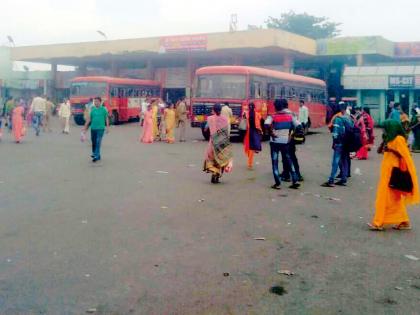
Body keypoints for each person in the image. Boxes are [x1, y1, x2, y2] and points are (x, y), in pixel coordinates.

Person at [368, 120, 419, 230]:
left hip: (393, 172)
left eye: (385, 128)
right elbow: (381, 151)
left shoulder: (399, 139)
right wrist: (384, 144)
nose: (384, 130)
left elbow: (405, 156)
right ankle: (404, 221)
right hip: (387, 171)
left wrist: (391, 150)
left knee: (384, 197)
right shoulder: (389, 138)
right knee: (393, 198)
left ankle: (378, 222)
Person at [264, 99, 300, 190]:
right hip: (285, 142)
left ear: (276, 107)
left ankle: (277, 182)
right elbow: (299, 126)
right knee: (289, 160)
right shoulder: (290, 116)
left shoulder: (273, 116)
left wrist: (272, 133)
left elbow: (266, 124)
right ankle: (295, 180)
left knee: (275, 162)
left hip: (275, 142)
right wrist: (291, 136)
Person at [322, 102, 352, 187]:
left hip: (339, 143)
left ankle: (331, 180)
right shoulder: (349, 118)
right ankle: (343, 179)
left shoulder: (338, 119)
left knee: (336, 161)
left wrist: (335, 142)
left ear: (340, 109)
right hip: (346, 143)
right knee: (345, 160)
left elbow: (335, 133)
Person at [203, 103, 233, 184]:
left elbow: (206, 128)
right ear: (221, 110)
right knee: (221, 159)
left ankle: (214, 174)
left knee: (212, 159)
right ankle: (217, 176)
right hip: (222, 142)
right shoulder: (225, 119)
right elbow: (226, 131)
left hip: (213, 142)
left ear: (213, 110)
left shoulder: (210, 118)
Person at [82, 97, 109, 162]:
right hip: (93, 128)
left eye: (97, 101)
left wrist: (107, 127)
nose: (96, 103)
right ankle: (97, 155)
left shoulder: (104, 109)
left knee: (98, 141)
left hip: (101, 129)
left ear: (100, 102)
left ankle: (95, 155)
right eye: (95, 102)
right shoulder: (93, 110)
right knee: (94, 142)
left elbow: (106, 118)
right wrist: (85, 127)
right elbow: (89, 119)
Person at [243, 103, 262, 170]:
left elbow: (243, 117)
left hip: (248, 132)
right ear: (254, 107)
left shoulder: (246, 113)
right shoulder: (257, 114)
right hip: (255, 131)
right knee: (253, 147)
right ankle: (250, 163)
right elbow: (260, 118)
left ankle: (250, 162)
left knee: (249, 146)